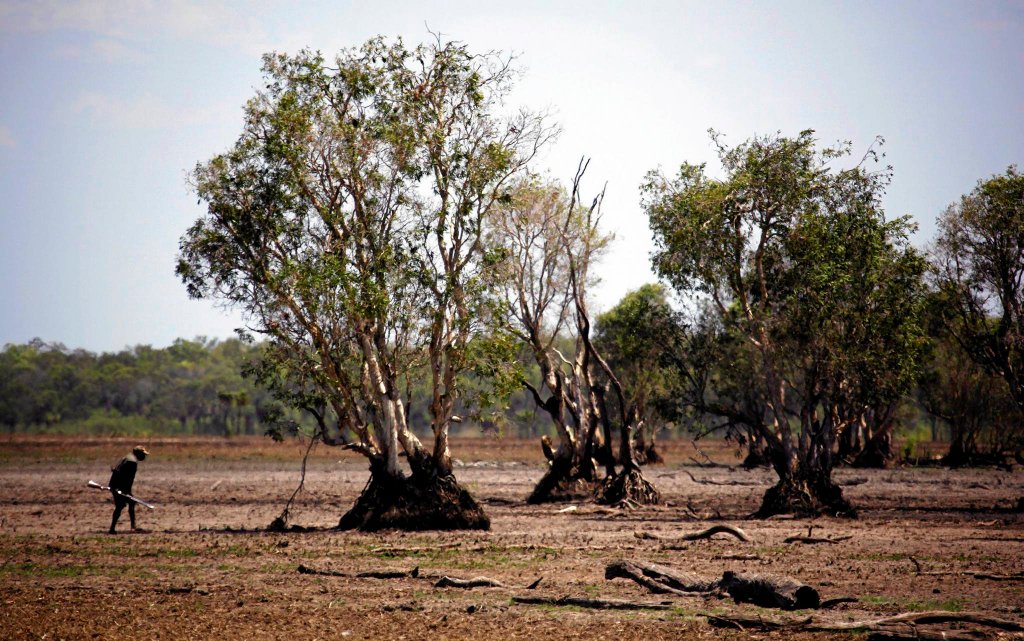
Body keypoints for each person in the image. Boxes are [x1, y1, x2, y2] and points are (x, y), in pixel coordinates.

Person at [108, 445, 148, 534]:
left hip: (116, 485)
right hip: (120, 487)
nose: (144, 457)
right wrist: (126, 491)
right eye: (143, 454)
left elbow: (117, 471)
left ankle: (133, 526)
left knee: (131, 502)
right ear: (138, 454)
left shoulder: (127, 458)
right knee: (120, 506)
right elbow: (127, 478)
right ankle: (112, 529)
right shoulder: (132, 462)